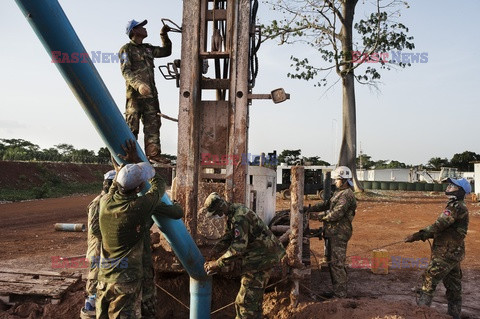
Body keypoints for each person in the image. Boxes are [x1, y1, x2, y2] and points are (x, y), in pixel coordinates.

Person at [96, 140, 183, 318]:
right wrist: (138, 160)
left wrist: (128, 166)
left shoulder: (105, 202)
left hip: (104, 279)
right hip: (125, 283)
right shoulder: (137, 207)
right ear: (138, 188)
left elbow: (116, 186)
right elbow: (159, 186)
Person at [203, 192, 286, 319]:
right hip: (261, 258)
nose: (216, 216)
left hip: (261, 259)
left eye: (215, 213)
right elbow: (228, 237)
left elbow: (238, 248)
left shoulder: (239, 218)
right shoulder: (234, 212)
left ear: (220, 207)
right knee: (253, 303)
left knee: (245, 304)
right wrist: (214, 251)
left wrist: (217, 264)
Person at [405, 178, 471, 319]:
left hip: (445, 253)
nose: (448, 187)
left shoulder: (456, 207)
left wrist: (418, 235)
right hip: (454, 253)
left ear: (460, 191)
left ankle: (421, 313)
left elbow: (439, 225)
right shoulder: (458, 205)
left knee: (429, 279)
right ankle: (454, 315)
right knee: (453, 287)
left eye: (453, 185)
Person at [119, 19, 172, 165]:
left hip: (151, 97)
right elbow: (125, 70)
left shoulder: (148, 49)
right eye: (141, 26)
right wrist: (139, 85)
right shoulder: (126, 49)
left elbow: (166, 51)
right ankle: (128, 157)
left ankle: (153, 155)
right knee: (131, 128)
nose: (145, 28)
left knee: (153, 125)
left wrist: (164, 35)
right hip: (135, 97)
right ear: (134, 31)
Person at [307, 166, 357, 298]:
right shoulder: (339, 192)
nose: (335, 182)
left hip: (339, 233)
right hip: (333, 232)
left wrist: (316, 216)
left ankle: (340, 295)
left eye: (338, 179)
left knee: (337, 264)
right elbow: (326, 204)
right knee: (332, 262)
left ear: (345, 180)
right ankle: (337, 291)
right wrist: (309, 208)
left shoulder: (346, 195)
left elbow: (336, 214)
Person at [80, 169, 116, 319]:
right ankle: (91, 303)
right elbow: (95, 229)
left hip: (107, 248)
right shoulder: (97, 204)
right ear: (108, 185)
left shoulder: (109, 202)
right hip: (98, 248)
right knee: (95, 276)